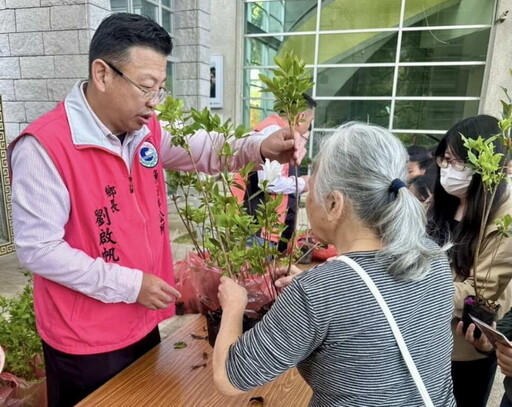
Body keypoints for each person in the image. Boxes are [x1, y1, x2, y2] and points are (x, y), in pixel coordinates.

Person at [7, 13, 304, 407]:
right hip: (85, 338)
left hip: (140, 318)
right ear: (102, 74)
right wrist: (131, 285)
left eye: (160, 88)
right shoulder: (46, 147)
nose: (154, 102)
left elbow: (204, 148)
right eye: (146, 87)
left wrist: (260, 146)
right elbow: (39, 249)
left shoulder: (145, 130)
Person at [212, 122, 456, 406]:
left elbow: (229, 378)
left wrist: (234, 305)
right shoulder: (433, 256)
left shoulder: (317, 291)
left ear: (333, 204)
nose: (306, 198)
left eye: (311, 189)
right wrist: (319, 288)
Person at [426, 114, 512, 407]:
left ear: (484, 165)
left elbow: (482, 293)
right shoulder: (438, 203)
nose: (447, 169)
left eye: (456, 161)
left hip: (464, 347)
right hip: (421, 336)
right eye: (444, 160)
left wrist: (410, 289)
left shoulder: (502, 220)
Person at [233, 94, 316, 252]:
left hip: (261, 227)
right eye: (310, 122)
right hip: (256, 227)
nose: (308, 128)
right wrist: (303, 183)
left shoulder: (277, 131)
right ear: (301, 116)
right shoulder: (272, 132)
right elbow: (269, 182)